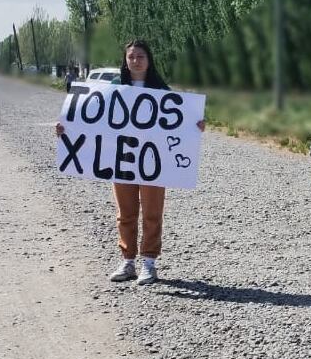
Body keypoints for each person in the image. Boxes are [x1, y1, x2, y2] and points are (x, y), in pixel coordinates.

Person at [56, 39, 205, 286]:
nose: (136, 61)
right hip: (121, 161)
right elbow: (86, 121)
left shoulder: (161, 91)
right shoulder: (111, 90)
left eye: (141, 57)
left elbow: (182, 122)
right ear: (125, 60)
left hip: (153, 164)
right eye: (131, 57)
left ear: (149, 60)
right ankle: (127, 261)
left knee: (152, 213)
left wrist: (196, 125)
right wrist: (66, 128)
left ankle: (148, 262)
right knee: (125, 213)